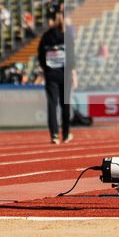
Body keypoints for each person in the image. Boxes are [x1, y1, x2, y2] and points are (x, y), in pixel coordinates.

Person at [36, 9, 73, 144]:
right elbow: (71, 55)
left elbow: (40, 55)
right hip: (65, 73)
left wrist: (46, 68)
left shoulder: (46, 37)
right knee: (65, 105)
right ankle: (66, 134)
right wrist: (73, 72)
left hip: (51, 74)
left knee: (52, 105)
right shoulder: (66, 35)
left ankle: (54, 135)